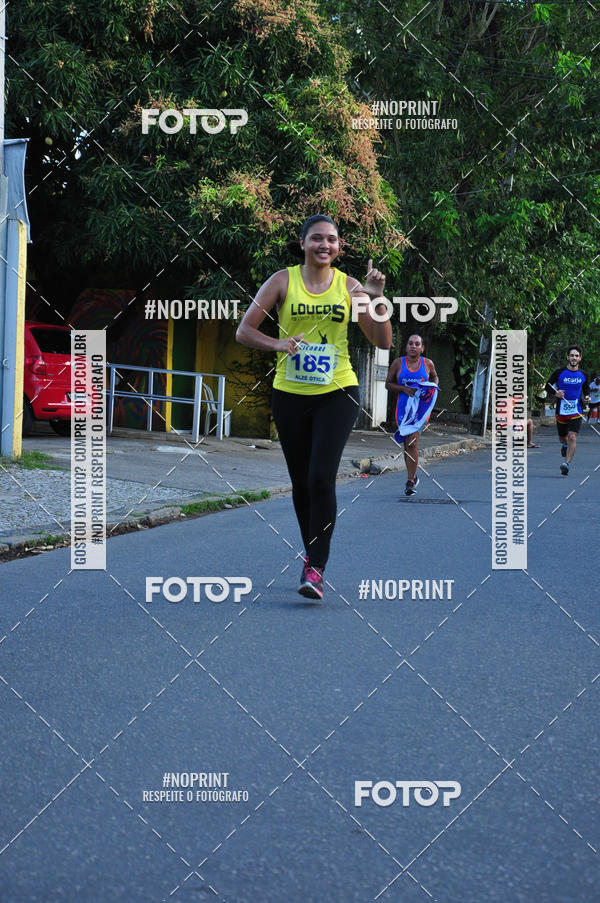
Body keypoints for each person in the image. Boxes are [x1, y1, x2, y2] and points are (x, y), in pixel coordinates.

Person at [236, 214, 392, 599]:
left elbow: (382, 341)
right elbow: (244, 330)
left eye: (332, 240)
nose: (325, 245)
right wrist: (278, 344)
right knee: (301, 483)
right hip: (289, 392)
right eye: (317, 238)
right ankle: (311, 555)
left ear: (339, 248)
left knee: (321, 477)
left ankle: (316, 567)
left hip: (337, 390)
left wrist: (375, 298)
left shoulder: (350, 285)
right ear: (303, 243)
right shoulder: (282, 280)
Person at [385, 335, 438, 495]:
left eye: (417, 344)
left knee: (412, 442)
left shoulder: (427, 363)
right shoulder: (398, 363)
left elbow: (434, 376)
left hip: (420, 409)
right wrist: (404, 389)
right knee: (406, 444)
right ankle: (413, 476)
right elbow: (388, 384)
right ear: (406, 346)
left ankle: (410, 481)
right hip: (403, 409)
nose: (413, 346)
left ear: (422, 348)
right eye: (410, 343)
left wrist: (434, 384)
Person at [545, 345, 590, 475]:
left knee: (572, 436)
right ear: (567, 357)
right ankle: (564, 445)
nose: (574, 358)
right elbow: (547, 386)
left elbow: (586, 389)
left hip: (576, 411)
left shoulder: (584, 374)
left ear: (580, 358)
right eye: (572, 355)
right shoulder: (559, 373)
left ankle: (566, 463)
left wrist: (587, 397)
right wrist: (556, 393)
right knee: (563, 438)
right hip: (561, 411)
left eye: (576, 356)